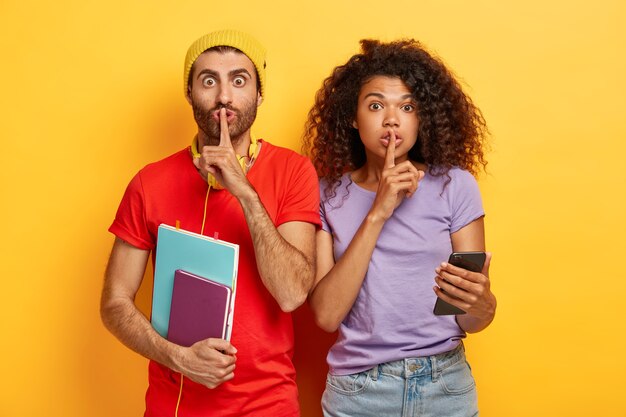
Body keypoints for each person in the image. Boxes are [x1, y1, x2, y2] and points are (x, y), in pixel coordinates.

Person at [101, 29, 320, 417]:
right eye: (208, 81)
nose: (223, 96)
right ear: (189, 93)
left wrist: (245, 192)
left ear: (259, 93)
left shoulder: (294, 172)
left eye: (239, 80)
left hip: (267, 405)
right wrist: (177, 357)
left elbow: (291, 294)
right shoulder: (148, 182)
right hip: (175, 405)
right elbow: (114, 303)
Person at [303, 39, 497, 416]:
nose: (392, 119)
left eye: (407, 107)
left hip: (445, 384)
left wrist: (484, 306)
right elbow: (326, 316)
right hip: (359, 392)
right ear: (352, 117)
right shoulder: (328, 194)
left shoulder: (454, 186)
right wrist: (378, 211)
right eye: (376, 105)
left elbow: (470, 318)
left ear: (421, 117)